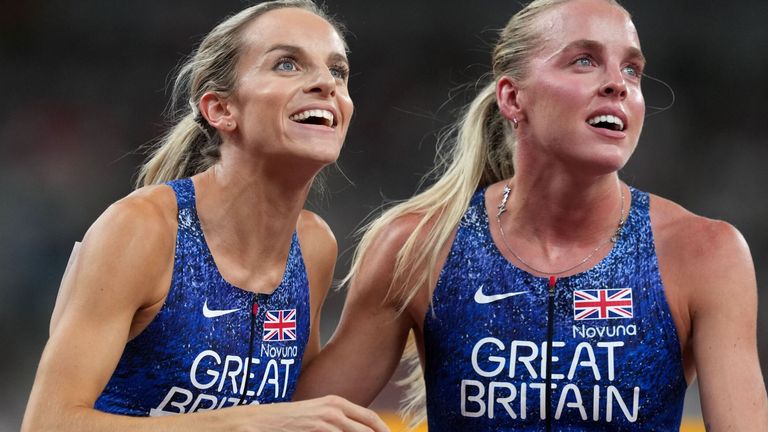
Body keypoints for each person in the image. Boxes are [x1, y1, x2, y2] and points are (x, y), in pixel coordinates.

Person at [294, 0, 768, 430]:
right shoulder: (418, 244)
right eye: (584, 60)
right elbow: (296, 422)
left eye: (632, 69)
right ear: (512, 98)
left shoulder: (705, 254)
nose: (617, 84)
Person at [21, 1, 389, 431]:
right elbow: (47, 423)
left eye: (338, 71)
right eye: (288, 64)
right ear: (220, 109)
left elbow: (294, 411)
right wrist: (238, 424)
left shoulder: (313, 246)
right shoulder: (142, 229)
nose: (326, 83)